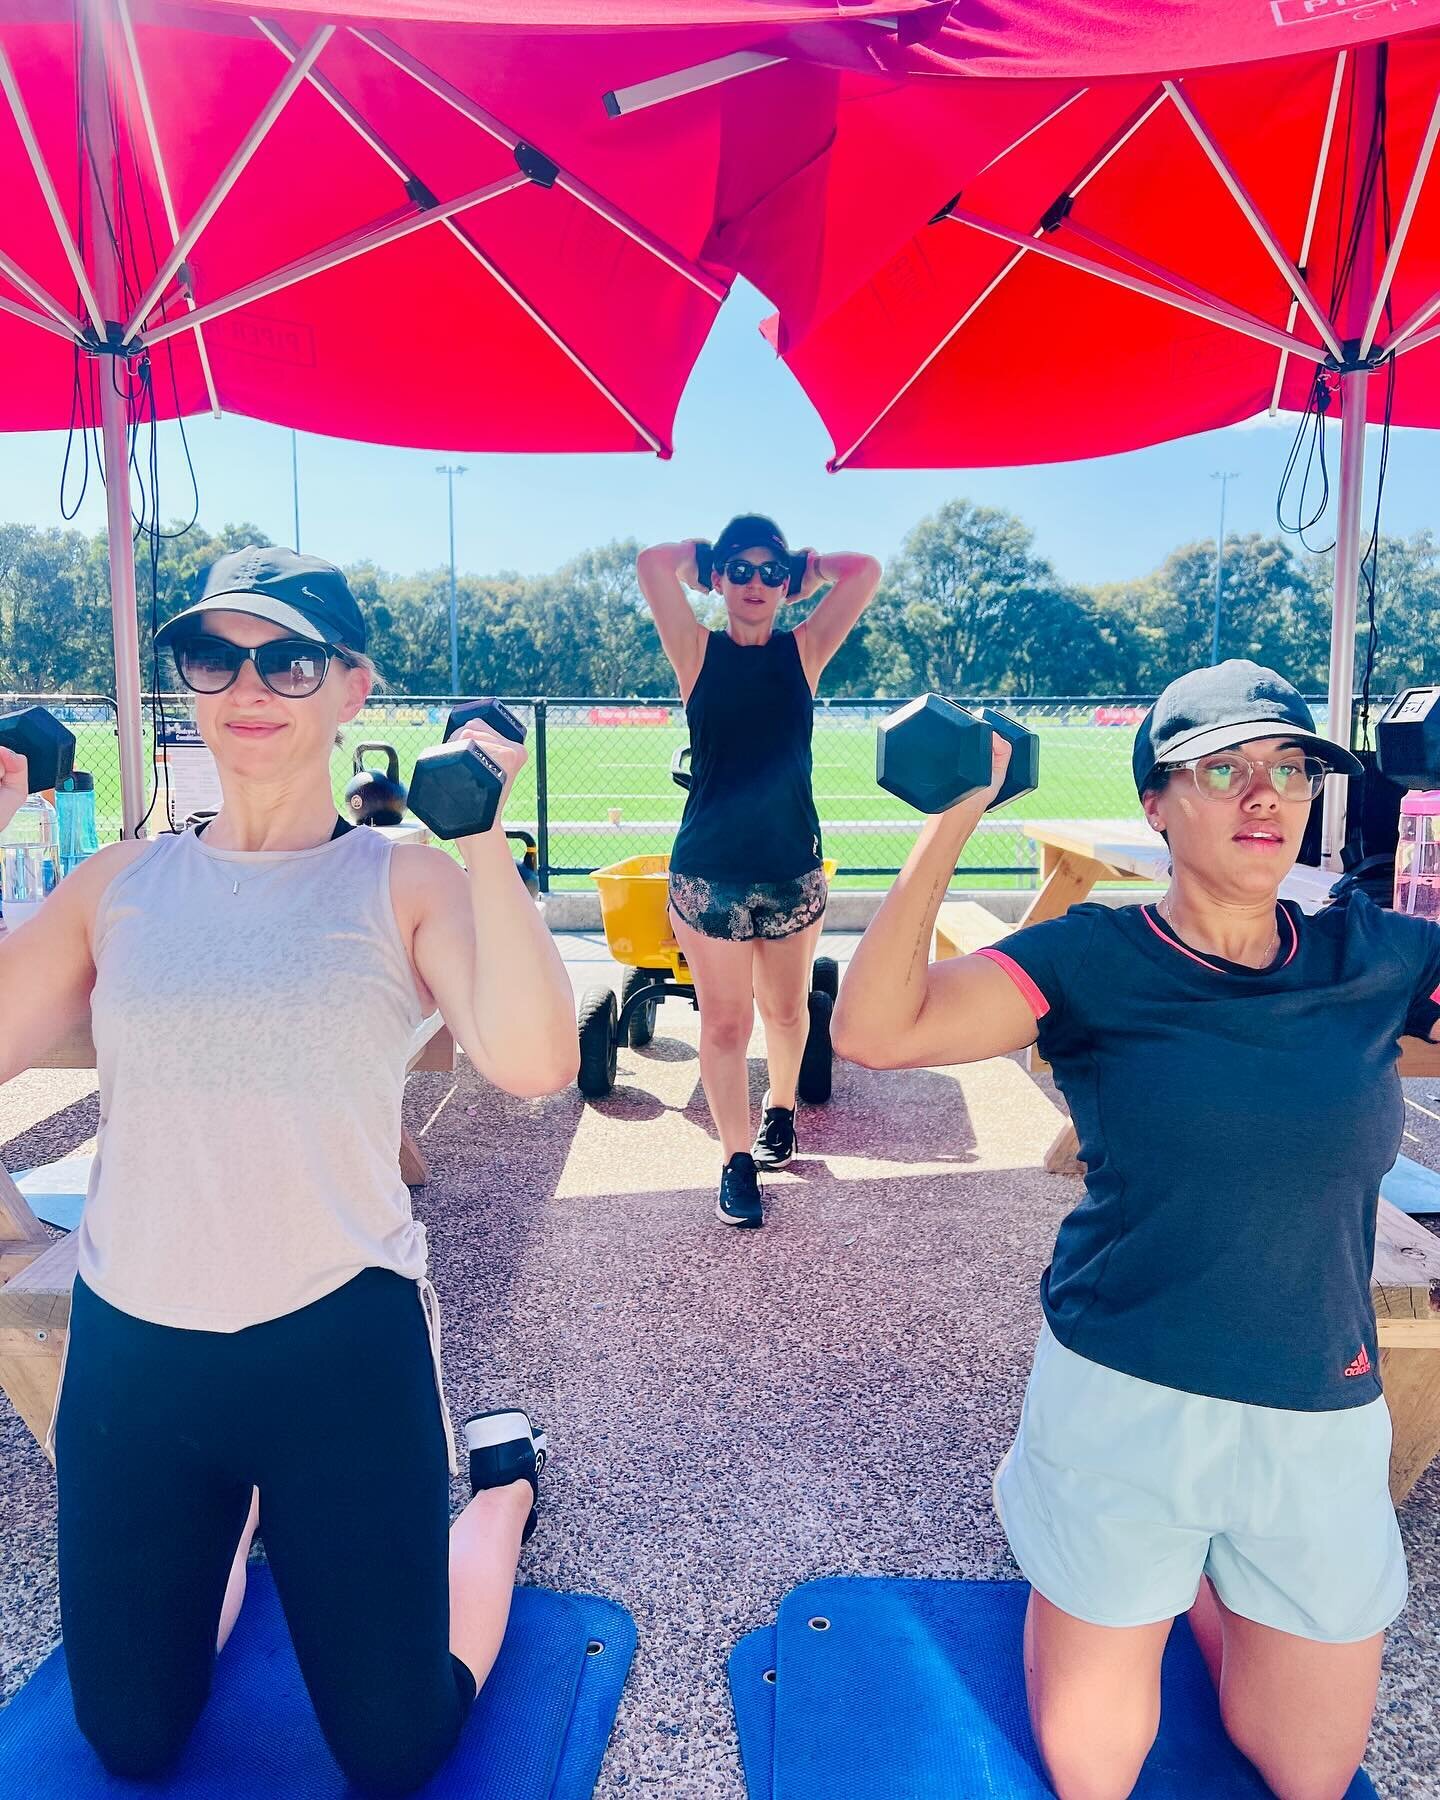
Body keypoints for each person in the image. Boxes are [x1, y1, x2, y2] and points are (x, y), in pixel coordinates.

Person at [0, 547, 578, 1796]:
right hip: (138, 1354)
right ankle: (239, 1521)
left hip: (334, 1341)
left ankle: (503, 1497)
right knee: (129, 1742)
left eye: (290, 658)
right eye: (214, 655)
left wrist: (482, 837)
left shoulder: (402, 876)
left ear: (351, 686)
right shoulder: (123, 883)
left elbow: (534, 1061)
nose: (248, 685)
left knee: (395, 1750)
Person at [834, 661, 1440, 1800]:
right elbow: (877, 1027)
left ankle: (1208, 1579)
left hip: (1316, 1401)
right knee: (1095, 1773)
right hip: (1126, 1393)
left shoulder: (1379, 959)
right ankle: (1168, 1569)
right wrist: (957, 815)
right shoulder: (1092, 959)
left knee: (1307, 1772)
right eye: (1226, 769)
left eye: (1291, 768)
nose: (1267, 796)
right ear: (1157, 804)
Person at [637, 517, 880, 1227]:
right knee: (724, 1024)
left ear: (787, 585)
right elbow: (654, 561)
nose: (753, 584)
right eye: (737, 570)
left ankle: (780, 1112)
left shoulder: (803, 651)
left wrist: (808, 565)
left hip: (790, 871)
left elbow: (862, 567)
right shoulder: (695, 651)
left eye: (768, 572)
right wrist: (701, 558)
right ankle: (735, 1161)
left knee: (785, 1010)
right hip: (709, 874)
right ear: (717, 579)